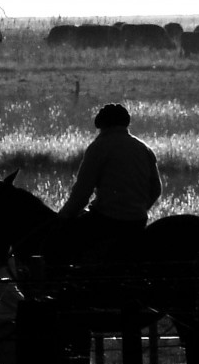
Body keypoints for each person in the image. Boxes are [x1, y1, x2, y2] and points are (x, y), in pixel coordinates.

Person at [55, 102, 162, 260]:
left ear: (101, 125)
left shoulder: (99, 147)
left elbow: (82, 193)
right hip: (137, 222)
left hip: (106, 220)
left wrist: (63, 216)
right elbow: (156, 189)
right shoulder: (143, 148)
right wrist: (137, 209)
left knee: (63, 241)